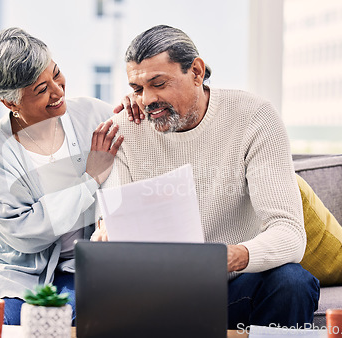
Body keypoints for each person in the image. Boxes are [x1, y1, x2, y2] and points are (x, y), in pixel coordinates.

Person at [92, 25, 320, 329]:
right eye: (137, 89)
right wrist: (107, 230)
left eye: (158, 83)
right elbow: (108, 224)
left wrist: (231, 257)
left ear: (196, 72)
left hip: (235, 286)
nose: (146, 100)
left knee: (293, 282)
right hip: (156, 294)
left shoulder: (254, 117)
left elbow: (290, 233)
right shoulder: (125, 128)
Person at [0, 27, 123, 326]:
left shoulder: (92, 114)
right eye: (42, 89)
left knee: (93, 314)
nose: (58, 90)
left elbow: (135, 157)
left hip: (73, 269)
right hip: (4, 270)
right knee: (11, 327)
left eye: (57, 74)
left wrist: (138, 110)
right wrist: (90, 178)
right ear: (11, 103)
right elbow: (24, 233)